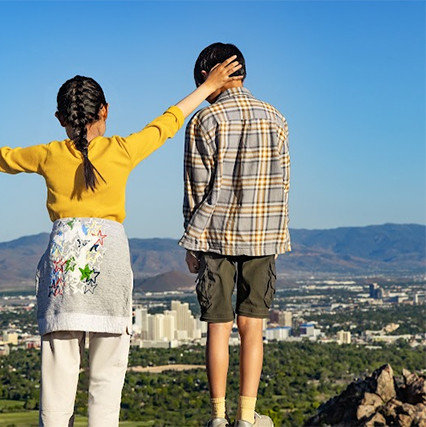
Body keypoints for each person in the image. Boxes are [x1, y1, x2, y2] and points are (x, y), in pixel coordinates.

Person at [0, 57, 242, 427]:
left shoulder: (49, 154)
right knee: (106, 379)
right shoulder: (122, 150)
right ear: (105, 111)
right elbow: (167, 122)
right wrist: (205, 88)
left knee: (58, 378)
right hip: (110, 272)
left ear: (60, 120)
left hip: (62, 276)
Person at [179, 42, 290, 427]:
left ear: (209, 78)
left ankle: (218, 417)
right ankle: (246, 417)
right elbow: (284, 182)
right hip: (263, 235)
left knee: (218, 327)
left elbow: (195, 187)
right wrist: (278, 234)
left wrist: (191, 241)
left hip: (214, 237)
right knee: (252, 327)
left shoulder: (203, 122)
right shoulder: (276, 118)